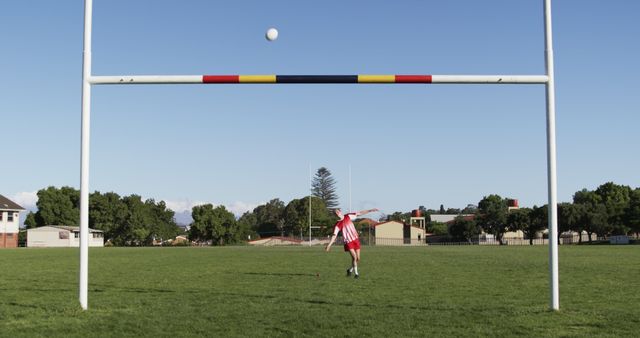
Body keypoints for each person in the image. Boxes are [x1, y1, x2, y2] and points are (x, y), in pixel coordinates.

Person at [325, 208, 378, 279]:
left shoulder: (348, 216)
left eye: (337, 211)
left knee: (358, 258)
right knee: (354, 257)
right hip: (348, 242)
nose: (337, 213)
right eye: (335, 213)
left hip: (355, 239)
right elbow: (334, 236)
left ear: (340, 211)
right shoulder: (337, 225)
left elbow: (359, 213)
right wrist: (329, 245)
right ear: (335, 215)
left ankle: (350, 270)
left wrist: (370, 210)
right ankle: (356, 274)